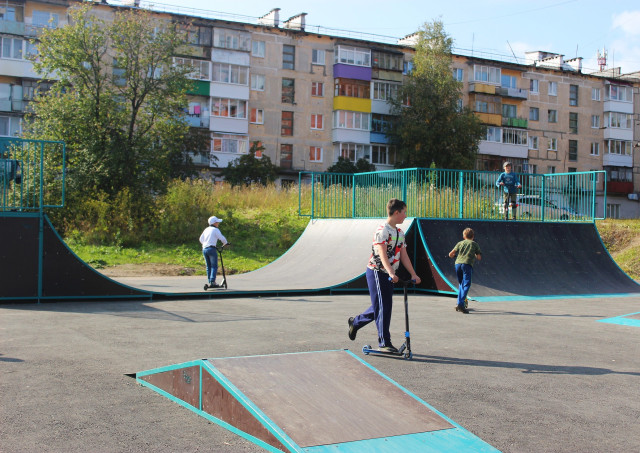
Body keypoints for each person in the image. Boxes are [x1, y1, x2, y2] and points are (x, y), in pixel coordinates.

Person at [347, 199, 421, 352]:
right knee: (383, 307)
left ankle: (356, 322)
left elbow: (403, 255)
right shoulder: (382, 231)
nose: (405, 216)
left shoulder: (400, 233)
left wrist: (413, 274)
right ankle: (384, 343)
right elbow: (381, 254)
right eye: (404, 212)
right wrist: (391, 272)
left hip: (388, 273)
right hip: (376, 272)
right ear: (396, 213)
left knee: (382, 305)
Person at [448, 228, 482, 314]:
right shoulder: (474, 244)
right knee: (466, 284)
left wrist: (455, 255)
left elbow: (450, 254)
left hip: (457, 264)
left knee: (461, 284)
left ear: (464, 236)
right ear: (473, 236)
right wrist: (474, 254)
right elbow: (479, 257)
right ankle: (460, 303)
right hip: (467, 264)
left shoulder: (460, 243)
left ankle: (459, 302)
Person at [199, 216, 228, 288]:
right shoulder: (215, 230)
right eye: (217, 222)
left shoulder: (206, 229)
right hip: (211, 249)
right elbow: (222, 238)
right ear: (214, 223)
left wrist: (205, 244)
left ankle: (210, 281)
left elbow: (201, 239)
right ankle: (213, 281)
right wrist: (225, 243)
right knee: (214, 266)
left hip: (205, 249)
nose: (218, 223)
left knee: (208, 266)